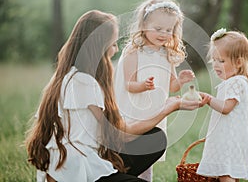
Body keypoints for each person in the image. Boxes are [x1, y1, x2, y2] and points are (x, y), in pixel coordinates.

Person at [24, 10, 205, 182]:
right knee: (153, 140)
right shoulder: (83, 82)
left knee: (155, 138)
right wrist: (167, 109)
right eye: (112, 44)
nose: (116, 49)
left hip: (88, 160)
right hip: (77, 171)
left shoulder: (69, 76)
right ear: (99, 47)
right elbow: (121, 135)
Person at [114, 0, 194, 182]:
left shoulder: (167, 53)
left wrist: (180, 81)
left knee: (148, 154)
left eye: (169, 30)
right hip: (134, 112)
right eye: (158, 29)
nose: (164, 34)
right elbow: (128, 84)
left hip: (155, 112)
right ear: (143, 24)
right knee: (131, 154)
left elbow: (171, 86)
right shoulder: (134, 51)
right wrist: (142, 86)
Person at [196, 28, 248, 182]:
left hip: (230, 141)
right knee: (227, 173)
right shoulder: (232, 81)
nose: (216, 65)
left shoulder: (236, 82)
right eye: (214, 60)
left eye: (221, 61)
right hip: (229, 138)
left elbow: (226, 108)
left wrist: (209, 99)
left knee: (225, 174)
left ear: (238, 62)